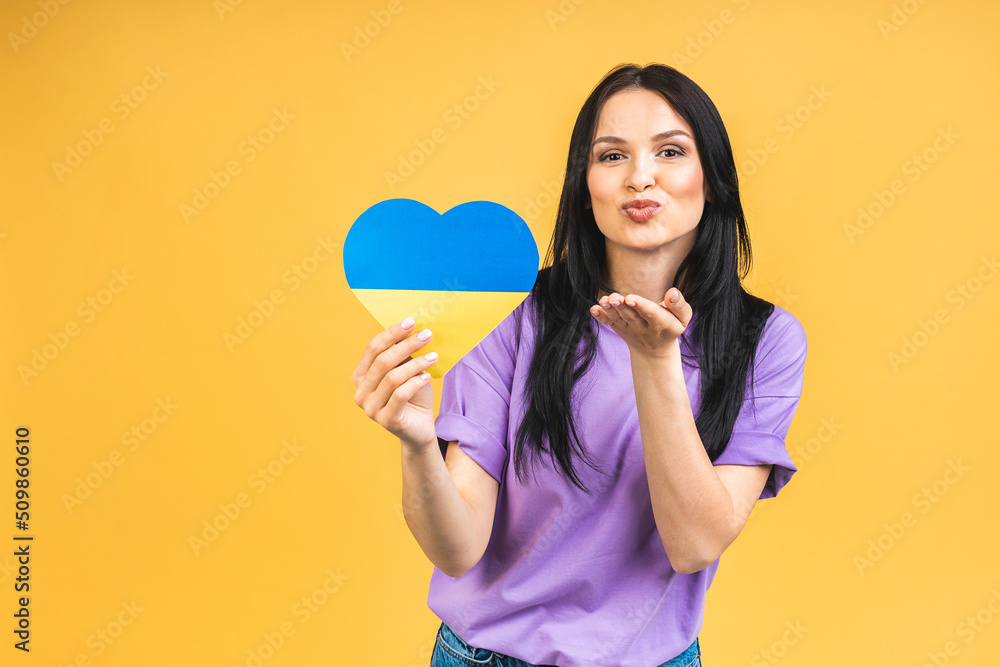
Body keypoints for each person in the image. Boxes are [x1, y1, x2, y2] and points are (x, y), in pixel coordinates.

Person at [352, 63, 807, 667]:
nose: (639, 177)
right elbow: (457, 550)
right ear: (584, 184)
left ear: (713, 179)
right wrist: (416, 446)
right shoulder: (511, 312)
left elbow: (695, 544)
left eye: (671, 151)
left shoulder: (765, 340)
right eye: (612, 156)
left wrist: (655, 359)